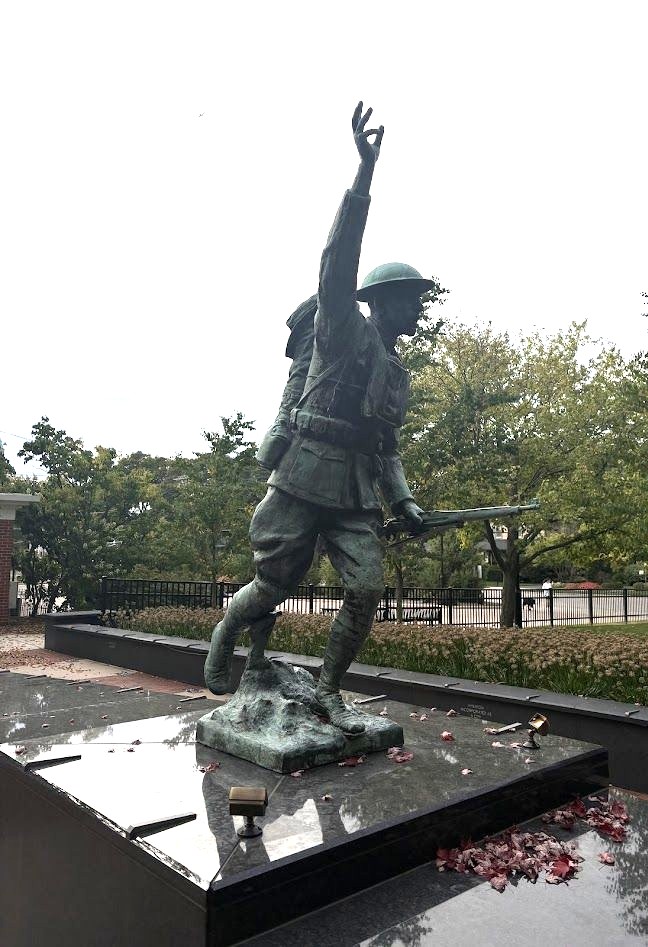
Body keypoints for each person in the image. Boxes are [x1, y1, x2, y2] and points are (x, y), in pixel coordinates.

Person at [204, 102, 432, 733]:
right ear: (383, 301)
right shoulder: (342, 330)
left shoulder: (396, 370)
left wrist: (405, 500)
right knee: (273, 585)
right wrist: (363, 177)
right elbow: (338, 257)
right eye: (413, 297)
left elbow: (387, 446)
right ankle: (229, 626)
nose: (421, 308)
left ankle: (329, 691)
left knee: (365, 589)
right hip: (305, 472)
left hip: (355, 490)